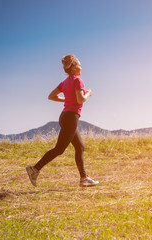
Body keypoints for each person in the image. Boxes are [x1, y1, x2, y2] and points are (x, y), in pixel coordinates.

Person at [26, 54, 99, 187]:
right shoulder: (78, 80)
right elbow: (81, 100)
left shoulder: (64, 82)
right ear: (73, 67)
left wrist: (67, 99)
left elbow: (51, 96)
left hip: (65, 116)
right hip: (71, 117)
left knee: (80, 147)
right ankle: (34, 169)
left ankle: (84, 178)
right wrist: (89, 93)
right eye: (79, 64)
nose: (81, 67)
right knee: (59, 149)